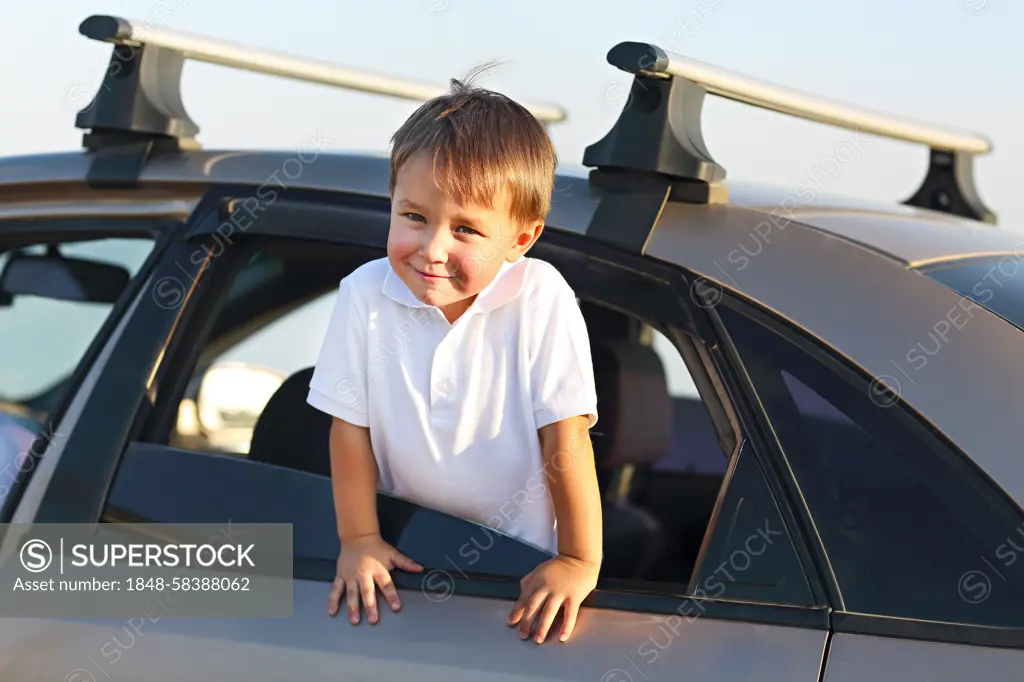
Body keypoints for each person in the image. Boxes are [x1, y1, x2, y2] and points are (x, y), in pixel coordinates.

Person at [306, 67, 602, 645]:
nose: (432, 249)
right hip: (409, 558)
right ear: (391, 202)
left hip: (517, 566)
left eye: (466, 229)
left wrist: (577, 559)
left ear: (521, 239)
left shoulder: (540, 297)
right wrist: (359, 539)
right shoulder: (365, 293)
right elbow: (350, 431)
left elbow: (566, 437)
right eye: (413, 216)